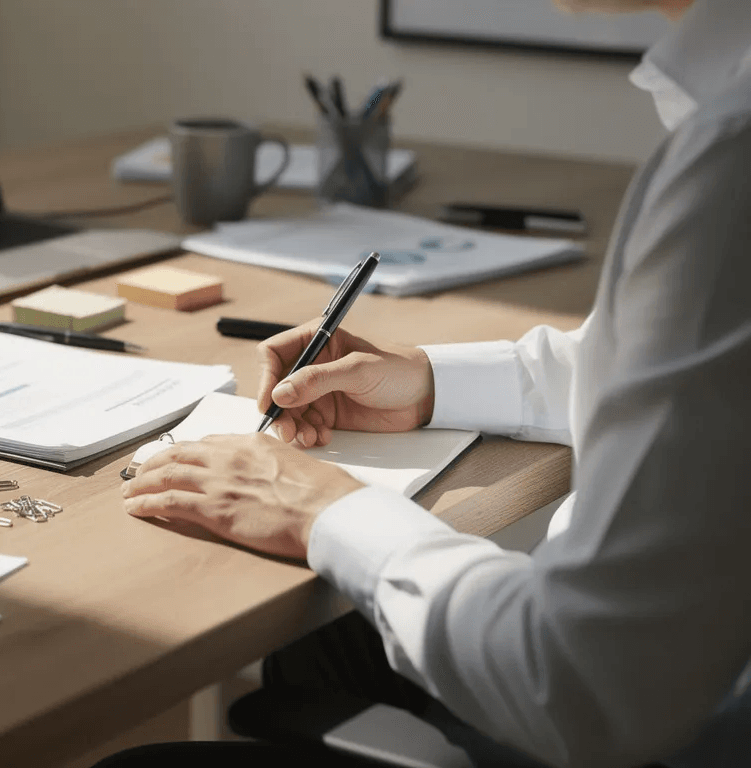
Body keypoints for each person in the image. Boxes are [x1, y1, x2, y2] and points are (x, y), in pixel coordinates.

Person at [107, 0, 751, 766]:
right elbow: (698, 366)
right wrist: (430, 386)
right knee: (327, 649)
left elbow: (588, 684)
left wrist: (325, 512)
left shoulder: (732, 155)